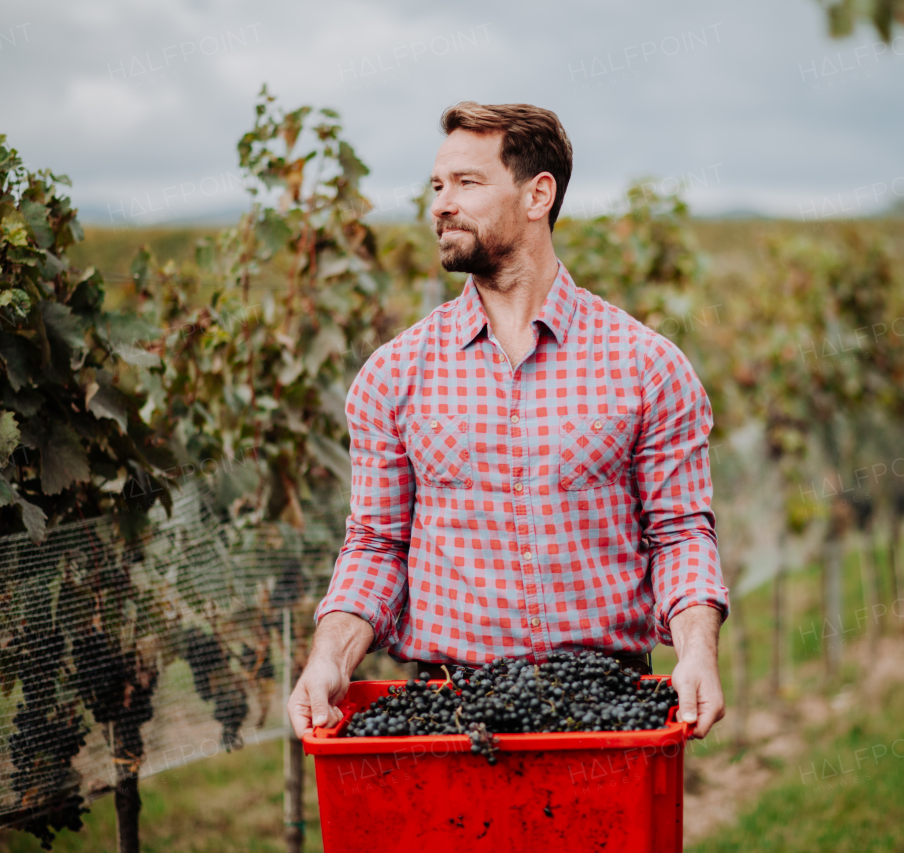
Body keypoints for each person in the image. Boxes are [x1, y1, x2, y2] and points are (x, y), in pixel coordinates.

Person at [286, 101, 729, 741]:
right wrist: (329, 657)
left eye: (467, 183)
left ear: (537, 195)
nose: (440, 204)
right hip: (449, 715)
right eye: (436, 186)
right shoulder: (392, 375)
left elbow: (680, 534)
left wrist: (696, 651)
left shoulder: (647, 367)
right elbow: (376, 546)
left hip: (605, 711)